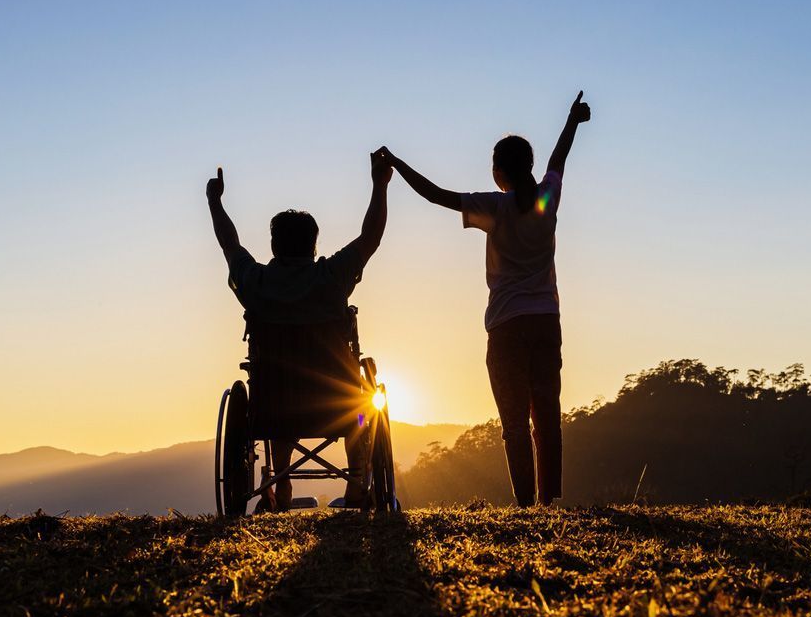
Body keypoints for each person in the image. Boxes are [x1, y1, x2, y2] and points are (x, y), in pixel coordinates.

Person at [379, 92, 591, 506]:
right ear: (528, 167)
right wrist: (572, 121)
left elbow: (435, 195)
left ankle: (525, 504)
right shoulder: (547, 198)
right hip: (546, 320)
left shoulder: (496, 206)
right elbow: (558, 159)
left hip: (507, 324)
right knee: (547, 415)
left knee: (514, 423)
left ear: (498, 173)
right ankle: (549, 501)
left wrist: (397, 164)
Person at [206, 151, 393, 511]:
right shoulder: (332, 277)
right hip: (341, 406)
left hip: (272, 410)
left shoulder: (257, 282)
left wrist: (214, 201)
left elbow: (230, 245)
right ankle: (357, 480)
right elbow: (371, 237)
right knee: (362, 403)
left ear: (274, 245)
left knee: (278, 386)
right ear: (313, 245)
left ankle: (283, 483)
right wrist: (379, 185)